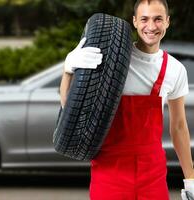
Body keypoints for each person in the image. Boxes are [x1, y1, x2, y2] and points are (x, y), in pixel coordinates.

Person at [59, 0, 194, 199]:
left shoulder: (175, 70)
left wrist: (190, 177)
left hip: (153, 176)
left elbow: (179, 126)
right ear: (135, 22)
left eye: (158, 19)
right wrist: (68, 70)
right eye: (144, 19)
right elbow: (70, 106)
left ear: (167, 21)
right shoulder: (111, 61)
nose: (151, 26)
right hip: (109, 174)